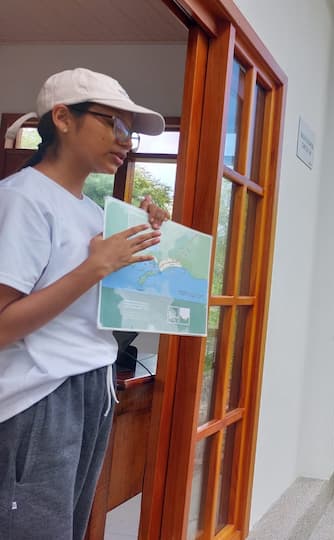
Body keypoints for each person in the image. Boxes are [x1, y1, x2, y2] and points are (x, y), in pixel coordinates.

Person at [0, 67, 168, 540]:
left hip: (93, 385)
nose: (125, 139)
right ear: (63, 118)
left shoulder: (94, 213)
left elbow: (117, 306)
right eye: (112, 123)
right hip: (40, 397)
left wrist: (156, 238)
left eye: (129, 129)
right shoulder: (21, 200)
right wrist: (95, 267)